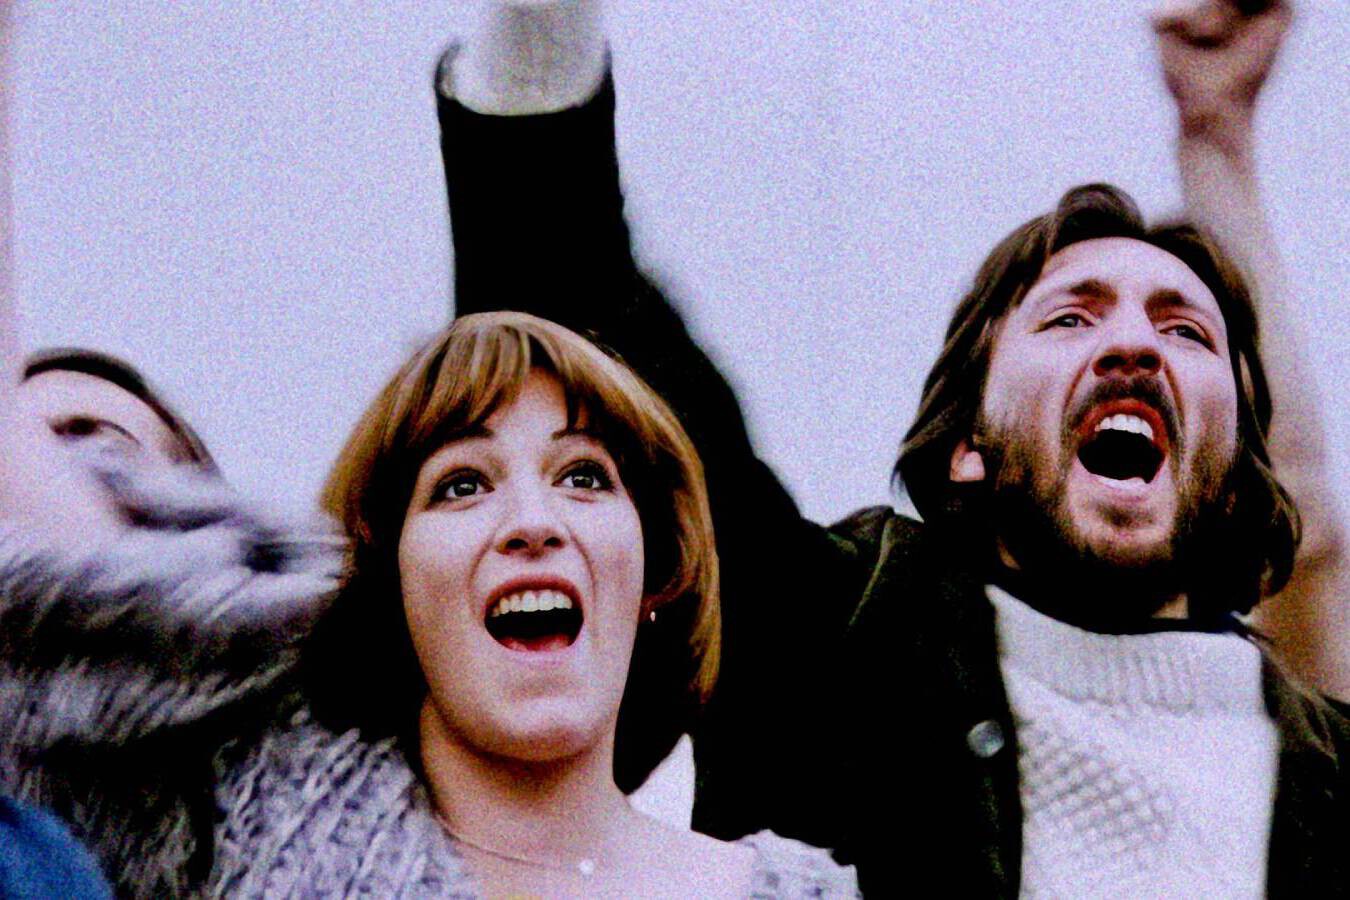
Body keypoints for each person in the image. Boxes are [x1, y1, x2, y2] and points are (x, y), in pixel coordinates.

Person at [437, 0, 1349, 894]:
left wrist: (1219, 145)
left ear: (1237, 481)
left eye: (1184, 332)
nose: (1133, 345)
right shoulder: (841, 633)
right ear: (968, 451)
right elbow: (568, 298)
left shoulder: (1330, 778)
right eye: (1070, 317)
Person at [209, 310, 858, 897]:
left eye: (583, 475)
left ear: (656, 573)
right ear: (389, 582)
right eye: (463, 484)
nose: (533, 522)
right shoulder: (247, 848)